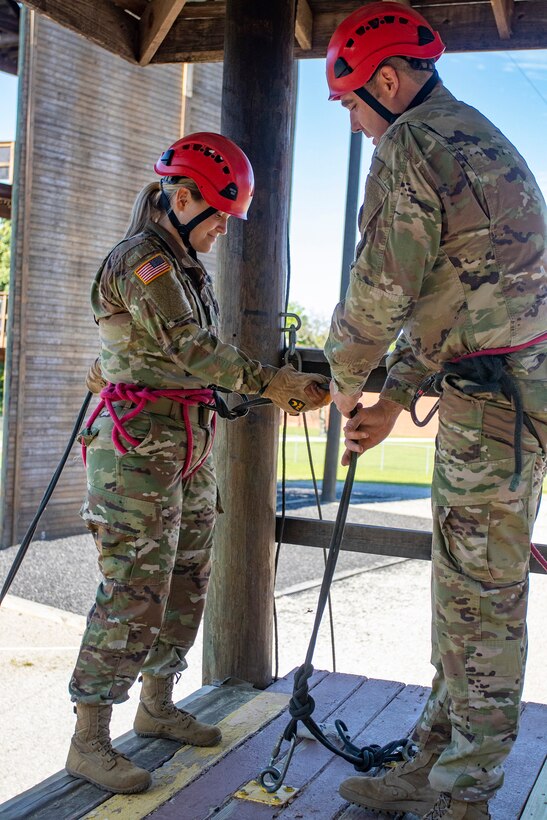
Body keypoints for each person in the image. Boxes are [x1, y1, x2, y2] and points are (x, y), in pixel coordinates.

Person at [323, 4, 547, 819]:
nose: (352, 123)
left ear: (386, 81)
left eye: (349, 102)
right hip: (498, 404)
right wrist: (397, 394)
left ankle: (464, 795)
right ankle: (432, 757)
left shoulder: (413, 142)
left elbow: (383, 285)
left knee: (480, 605)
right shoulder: (469, 136)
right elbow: (450, 286)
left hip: (494, 407)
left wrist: (350, 377)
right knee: (463, 595)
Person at [66, 131, 330, 794]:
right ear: (180, 198)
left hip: (187, 440)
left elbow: (173, 354)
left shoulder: (184, 264)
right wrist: (270, 384)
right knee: (132, 590)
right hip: (136, 456)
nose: (221, 230)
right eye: (215, 215)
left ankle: (156, 705)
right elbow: (189, 348)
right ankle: (89, 738)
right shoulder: (142, 262)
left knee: (186, 578)